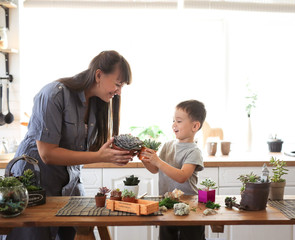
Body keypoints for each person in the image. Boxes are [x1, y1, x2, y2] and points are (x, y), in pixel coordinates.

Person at [5, 50, 134, 240]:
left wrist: (117, 152)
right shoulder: (53, 94)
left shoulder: (97, 104)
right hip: (35, 182)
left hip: (70, 184)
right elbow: (47, 154)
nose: (119, 91)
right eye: (117, 84)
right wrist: (100, 156)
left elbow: (85, 151)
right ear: (99, 75)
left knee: (79, 233)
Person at [141, 99, 207, 240]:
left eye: (179, 121)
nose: (174, 125)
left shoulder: (194, 151)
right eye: (173, 121)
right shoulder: (167, 145)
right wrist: (145, 158)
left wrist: (158, 161)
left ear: (195, 126)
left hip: (189, 207)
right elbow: (154, 169)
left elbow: (182, 176)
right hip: (167, 205)